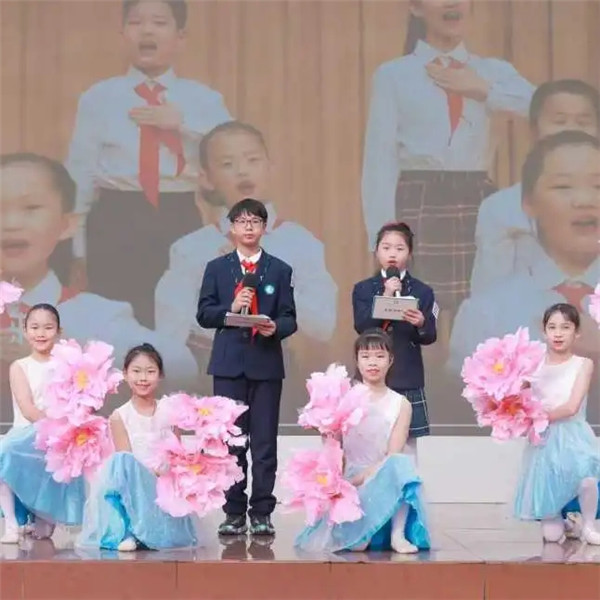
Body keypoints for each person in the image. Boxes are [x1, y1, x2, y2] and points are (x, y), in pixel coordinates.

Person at [361, 0, 533, 318]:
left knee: (481, 305)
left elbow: (543, 106)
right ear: (416, 8)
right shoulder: (393, 74)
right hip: (418, 198)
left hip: (476, 197)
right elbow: (379, 163)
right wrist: (382, 238)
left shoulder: (493, 71)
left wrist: (483, 89)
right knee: (413, 315)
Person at [0, 152, 198, 426]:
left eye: (30, 208)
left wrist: (63, 356)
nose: (10, 223)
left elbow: (183, 369)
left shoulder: (94, 316)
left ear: (66, 225)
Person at [66, 0, 231, 327]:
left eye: (159, 22)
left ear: (180, 36)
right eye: (136, 22)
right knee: (113, 320)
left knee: (180, 318)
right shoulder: (99, 97)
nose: (147, 30)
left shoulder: (203, 99)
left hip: (178, 213)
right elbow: (80, 172)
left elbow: (232, 150)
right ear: (123, 34)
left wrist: (182, 123)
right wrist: (78, 246)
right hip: (115, 216)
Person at [155, 121, 336, 369]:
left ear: (270, 167)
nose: (242, 171)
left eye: (252, 160)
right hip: (208, 367)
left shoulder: (300, 243)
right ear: (206, 179)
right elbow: (169, 334)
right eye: (227, 164)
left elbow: (323, 326)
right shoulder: (191, 249)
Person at [448, 131, 600, 381]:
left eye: (598, 186)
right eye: (563, 186)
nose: (585, 200)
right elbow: (459, 401)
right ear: (528, 203)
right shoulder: (485, 314)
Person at [196, 198, 297, 536]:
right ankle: (234, 512)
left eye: (255, 221)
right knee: (231, 443)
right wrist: (230, 308)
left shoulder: (279, 270)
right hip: (228, 366)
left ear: (264, 227)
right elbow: (204, 314)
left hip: (266, 365)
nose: (248, 227)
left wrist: (275, 327)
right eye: (242, 221)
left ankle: (262, 512)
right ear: (232, 228)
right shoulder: (217, 268)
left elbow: (290, 318)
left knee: (265, 444)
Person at [295, 329, 430, 554]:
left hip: (382, 473)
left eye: (379, 356)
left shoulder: (401, 403)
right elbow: (333, 450)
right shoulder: (343, 397)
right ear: (357, 361)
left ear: (390, 360)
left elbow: (393, 453)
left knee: (402, 463)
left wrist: (368, 475)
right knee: (358, 546)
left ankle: (397, 535)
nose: (372, 363)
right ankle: (358, 531)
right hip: (350, 478)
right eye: (366, 356)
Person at [471, 79, 600, 293]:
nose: (570, 130)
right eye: (559, 121)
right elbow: (489, 290)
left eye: (583, 121)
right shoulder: (499, 208)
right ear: (533, 130)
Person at [78, 343, 198, 552]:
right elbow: (125, 463)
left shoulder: (170, 410)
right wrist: (148, 472)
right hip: (135, 484)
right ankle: (128, 531)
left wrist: (165, 470)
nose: (143, 378)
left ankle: (153, 530)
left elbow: (177, 453)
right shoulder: (120, 416)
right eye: (136, 371)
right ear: (125, 374)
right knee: (121, 461)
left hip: (164, 484)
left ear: (160, 375)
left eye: (150, 371)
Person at [514, 304, 600, 545]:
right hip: (544, 438)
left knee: (587, 479)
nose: (558, 333)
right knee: (552, 537)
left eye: (565, 327)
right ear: (544, 332)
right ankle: (567, 522)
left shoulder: (583, 364)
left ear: (577, 332)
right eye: (552, 327)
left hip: (573, 434)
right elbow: (517, 399)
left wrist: (537, 417)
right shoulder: (533, 366)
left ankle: (589, 525)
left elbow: (571, 407)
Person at [0, 304, 85, 544]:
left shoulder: (68, 366)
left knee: (44, 533)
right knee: (3, 452)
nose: (41, 333)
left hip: (60, 437)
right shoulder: (20, 366)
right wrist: (52, 427)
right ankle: (11, 523)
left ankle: (42, 515)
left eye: (48, 327)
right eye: (35, 327)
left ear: (59, 331)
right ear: (25, 330)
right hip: (26, 434)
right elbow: (27, 409)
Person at [352, 222, 437, 444]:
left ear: (409, 253)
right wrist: (386, 295)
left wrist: (421, 323)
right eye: (386, 247)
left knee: (406, 445)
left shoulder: (422, 291)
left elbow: (430, 335)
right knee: (366, 441)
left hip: (406, 373)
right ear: (377, 251)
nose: (392, 254)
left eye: (399, 248)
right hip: (371, 373)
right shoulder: (363, 289)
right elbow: (362, 326)